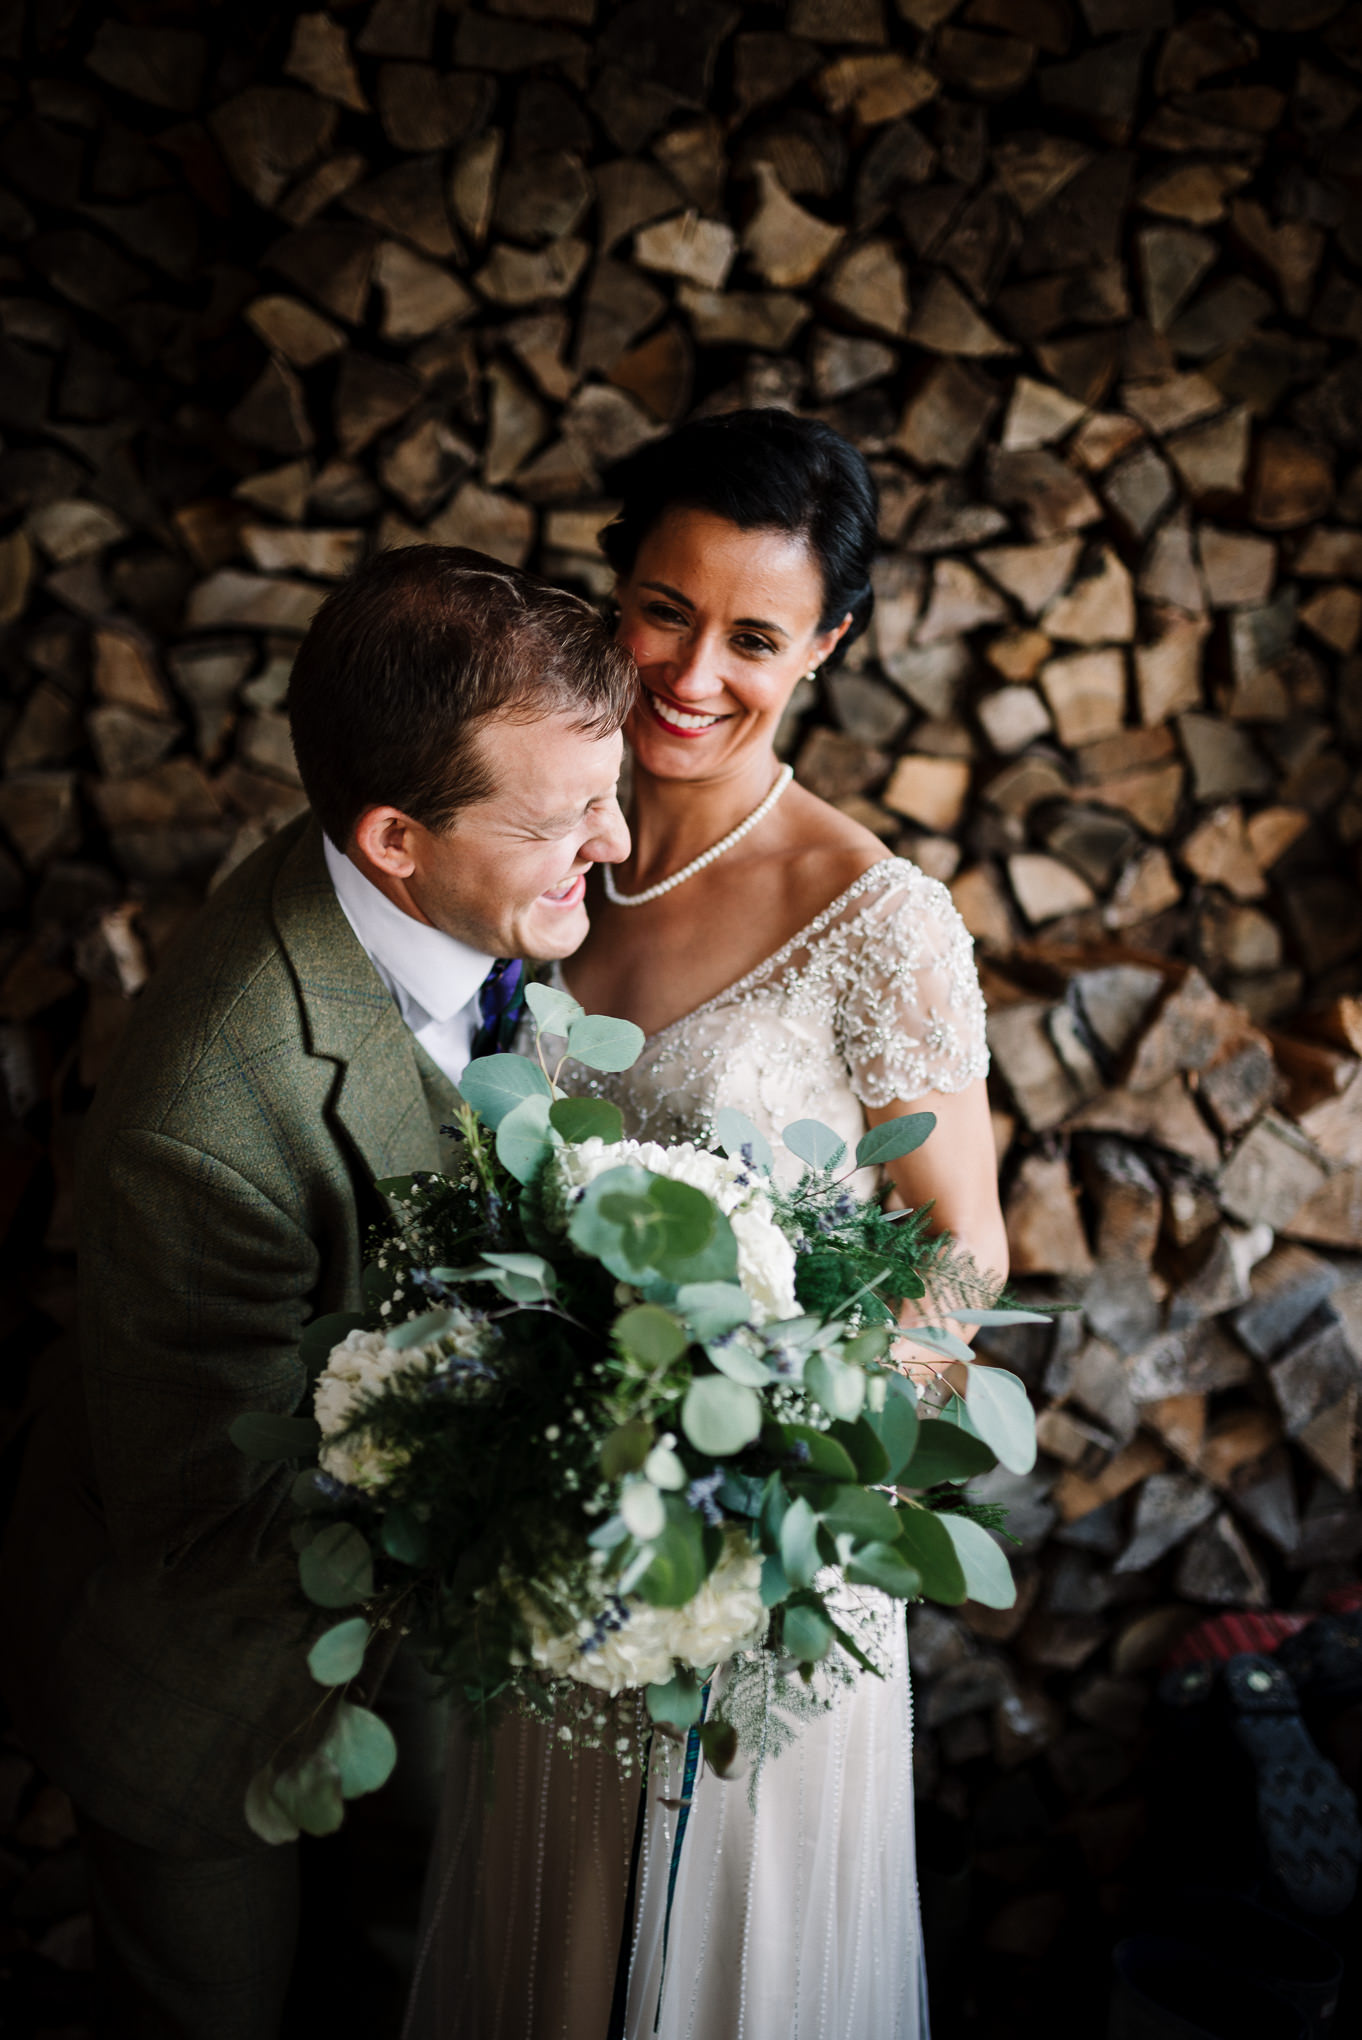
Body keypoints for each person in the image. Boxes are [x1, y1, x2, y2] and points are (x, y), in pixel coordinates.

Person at [406, 411, 1007, 2039]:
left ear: (825, 646)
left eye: (751, 635)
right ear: (611, 594)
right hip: (550, 1538)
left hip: (754, 1563)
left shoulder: (874, 918)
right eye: (663, 610)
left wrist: (764, 1470)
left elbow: (961, 1248)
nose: (690, 673)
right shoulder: (534, 856)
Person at [0, 545, 633, 2040]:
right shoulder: (206, 1123)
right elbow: (208, 1504)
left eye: (602, 794)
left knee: (418, 1970)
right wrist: (566, 1446)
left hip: (411, 1644)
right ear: (394, 836)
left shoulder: (469, 898)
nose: (609, 843)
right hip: (195, 1678)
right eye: (557, 820)